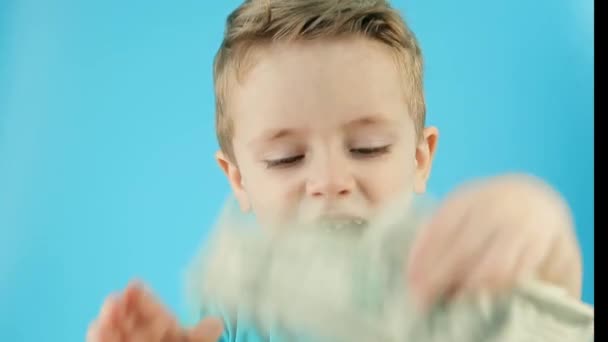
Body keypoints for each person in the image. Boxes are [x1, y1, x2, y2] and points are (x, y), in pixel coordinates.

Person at [86, 0, 584, 341]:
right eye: (286, 158)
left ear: (419, 157)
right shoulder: (231, 319)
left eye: (367, 148)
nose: (329, 182)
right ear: (238, 179)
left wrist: (544, 234)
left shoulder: (456, 286)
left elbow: (551, 322)